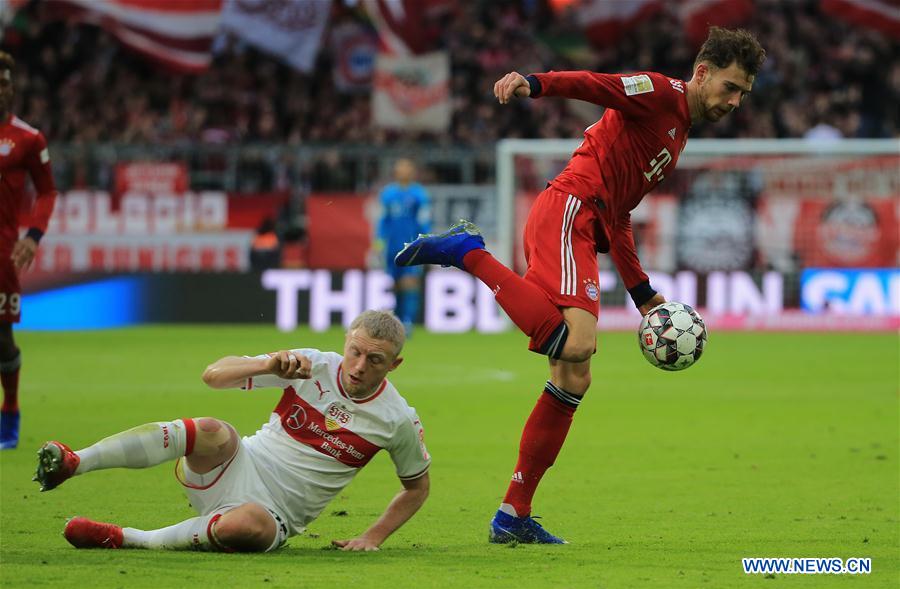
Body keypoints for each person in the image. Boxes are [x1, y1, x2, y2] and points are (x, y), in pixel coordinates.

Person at [396, 27, 766, 544]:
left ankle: (513, 514)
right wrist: (535, 83)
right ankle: (468, 252)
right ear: (702, 73)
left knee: (573, 378)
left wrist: (642, 294)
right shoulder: (660, 93)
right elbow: (598, 84)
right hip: (570, 211)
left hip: (586, 222)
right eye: (730, 87)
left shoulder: (678, 130)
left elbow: (621, 214)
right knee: (577, 343)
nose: (735, 101)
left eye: (743, 94)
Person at [33, 310, 431, 552]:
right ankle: (75, 461)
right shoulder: (311, 365)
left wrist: (373, 536)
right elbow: (213, 376)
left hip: (274, 515)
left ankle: (125, 537)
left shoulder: (397, 419)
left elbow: (417, 487)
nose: (359, 366)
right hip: (237, 466)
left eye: (375, 360)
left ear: (394, 365)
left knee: (245, 526)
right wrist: (267, 366)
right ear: (345, 342)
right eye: (355, 352)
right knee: (212, 428)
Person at [0, 51, 58, 450]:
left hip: (2, 252)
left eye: (4, 83)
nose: (0, 90)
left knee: (2, 339)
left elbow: (48, 191)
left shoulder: (28, 138)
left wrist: (33, 235)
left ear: (12, 88)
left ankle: (10, 411)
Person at [374, 158, 431, 335]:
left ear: (412, 172)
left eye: (407, 168)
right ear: (396, 172)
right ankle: (398, 321)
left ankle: (407, 322)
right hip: (392, 247)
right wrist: (378, 243)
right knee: (396, 285)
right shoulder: (388, 194)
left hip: (412, 246)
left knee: (410, 282)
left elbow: (424, 221)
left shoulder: (419, 194)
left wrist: (426, 243)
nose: (403, 171)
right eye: (400, 168)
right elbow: (383, 220)